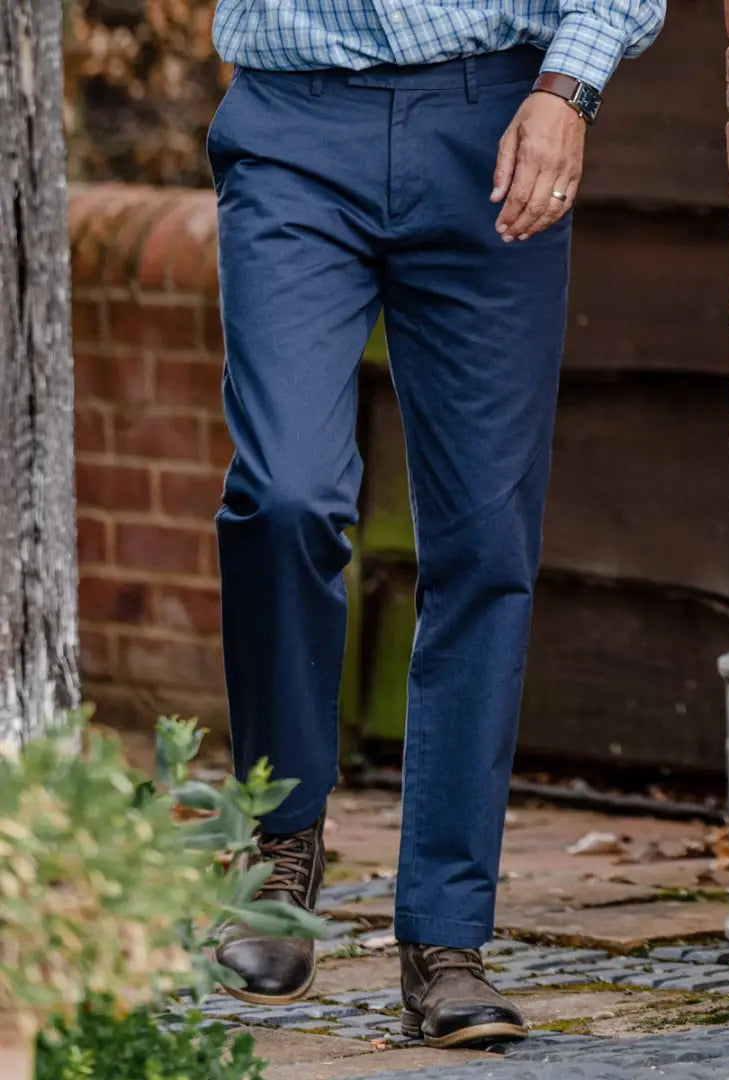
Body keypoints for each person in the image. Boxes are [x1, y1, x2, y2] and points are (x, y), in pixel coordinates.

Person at [207, 0, 664, 1049]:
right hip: (290, 126)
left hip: (492, 119)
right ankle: (280, 841)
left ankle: (446, 943)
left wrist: (568, 88)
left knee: (485, 541)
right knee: (285, 493)